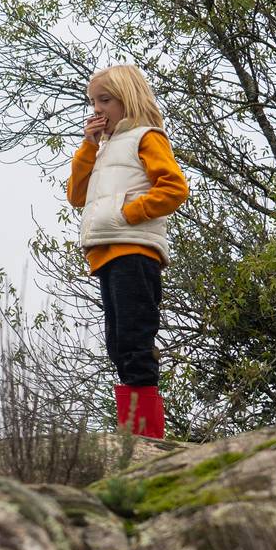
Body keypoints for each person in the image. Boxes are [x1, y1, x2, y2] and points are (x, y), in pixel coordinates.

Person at [66, 65, 189, 438]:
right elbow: (76, 195)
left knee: (135, 343)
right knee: (118, 345)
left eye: (105, 100)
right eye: (92, 102)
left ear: (128, 98)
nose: (97, 109)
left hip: (135, 252)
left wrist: (128, 214)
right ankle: (134, 432)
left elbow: (174, 188)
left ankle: (146, 437)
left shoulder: (146, 137)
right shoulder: (103, 148)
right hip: (106, 255)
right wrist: (88, 145)